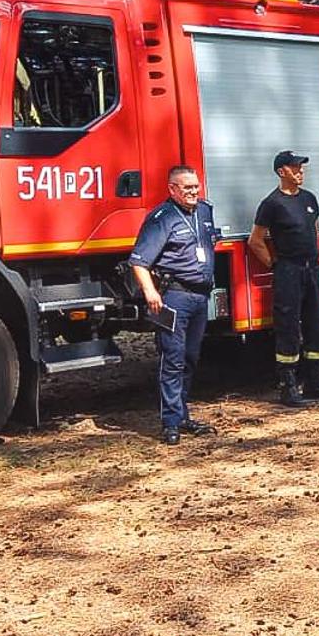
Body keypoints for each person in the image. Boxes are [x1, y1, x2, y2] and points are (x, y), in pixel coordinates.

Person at [127, 166, 221, 446]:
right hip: (175, 297)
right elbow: (139, 262)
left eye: (195, 186)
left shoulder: (204, 211)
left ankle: (182, 415)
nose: (193, 192)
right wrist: (150, 292)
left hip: (200, 297)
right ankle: (170, 423)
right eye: (187, 188)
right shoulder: (162, 218)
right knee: (173, 359)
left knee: (190, 357)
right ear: (172, 189)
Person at [249, 151, 319, 406]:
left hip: (313, 270)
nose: (300, 171)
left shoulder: (309, 198)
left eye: (301, 167)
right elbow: (255, 241)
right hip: (289, 271)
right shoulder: (272, 203)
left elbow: (315, 231)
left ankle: (315, 382)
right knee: (288, 327)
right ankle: (288, 385)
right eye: (294, 167)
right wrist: (276, 265)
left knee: (318, 325)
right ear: (281, 172)